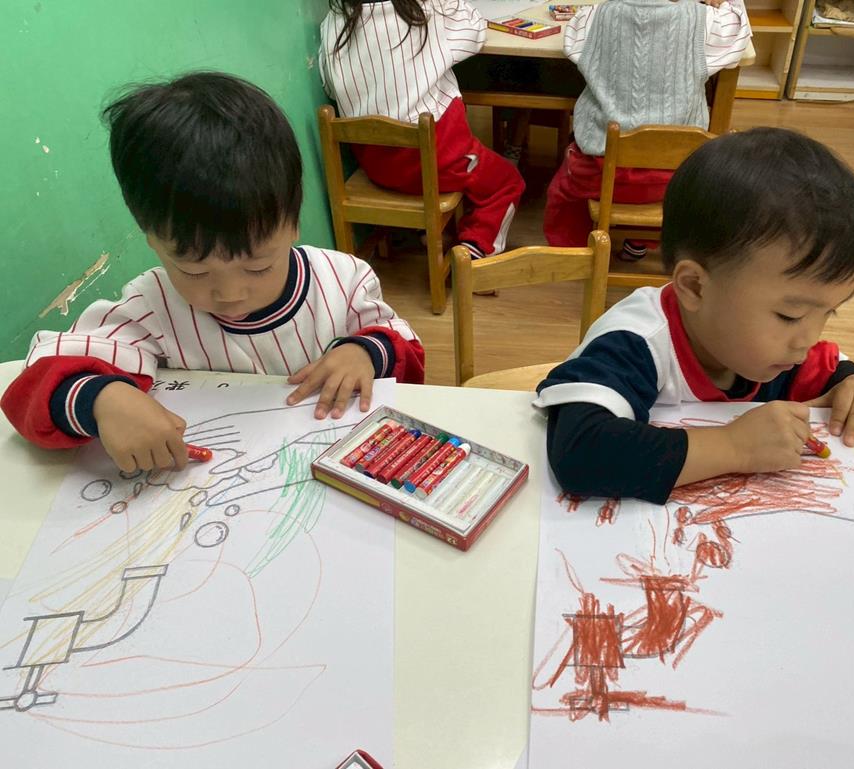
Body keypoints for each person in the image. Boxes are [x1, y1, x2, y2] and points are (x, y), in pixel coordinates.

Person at [1, 72, 425, 473]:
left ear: (293, 223)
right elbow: (34, 386)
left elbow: (408, 352)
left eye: (258, 265)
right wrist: (101, 399)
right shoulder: (150, 306)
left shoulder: (342, 281)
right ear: (152, 238)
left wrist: (364, 352)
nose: (230, 293)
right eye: (194, 271)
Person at [535, 128, 854, 503]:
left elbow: (835, 372)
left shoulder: (774, 350)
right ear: (695, 287)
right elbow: (580, 453)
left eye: (829, 311)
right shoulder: (635, 341)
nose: (807, 341)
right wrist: (734, 446)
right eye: (790, 315)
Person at [543, 0, 752, 260]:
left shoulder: (594, 17)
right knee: (660, 186)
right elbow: (739, 32)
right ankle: (640, 239)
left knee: (564, 192)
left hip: (599, 175)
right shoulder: (705, 21)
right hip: (673, 178)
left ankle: (572, 255)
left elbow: (573, 46)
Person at [319, 0, 525, 260]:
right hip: (437, 162)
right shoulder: (428, 11)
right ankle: (475, 249)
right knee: (507, 181)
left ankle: (428, 228)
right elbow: (475, 31)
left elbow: (329, 86)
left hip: (376, 166)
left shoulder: (332, 23)